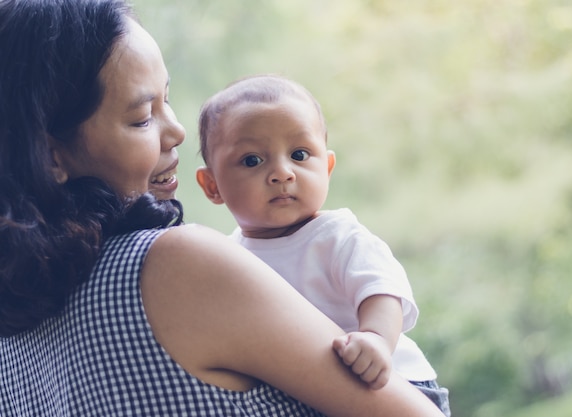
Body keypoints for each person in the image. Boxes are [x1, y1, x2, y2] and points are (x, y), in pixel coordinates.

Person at [0, 1, 448, 416]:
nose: (176, 132)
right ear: (50, 155)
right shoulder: (175, 266)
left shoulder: (14, 325)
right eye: (141, 118)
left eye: (167, 100)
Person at [195, 74, 451, 416]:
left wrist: (375, 338)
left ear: (327, 167)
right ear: (212, 185)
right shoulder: (229, 257)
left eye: (300, 154)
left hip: (393, 382)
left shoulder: (337, 236)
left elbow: (382, 291)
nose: (282, 173)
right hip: (313, 394)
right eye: (253, 160)